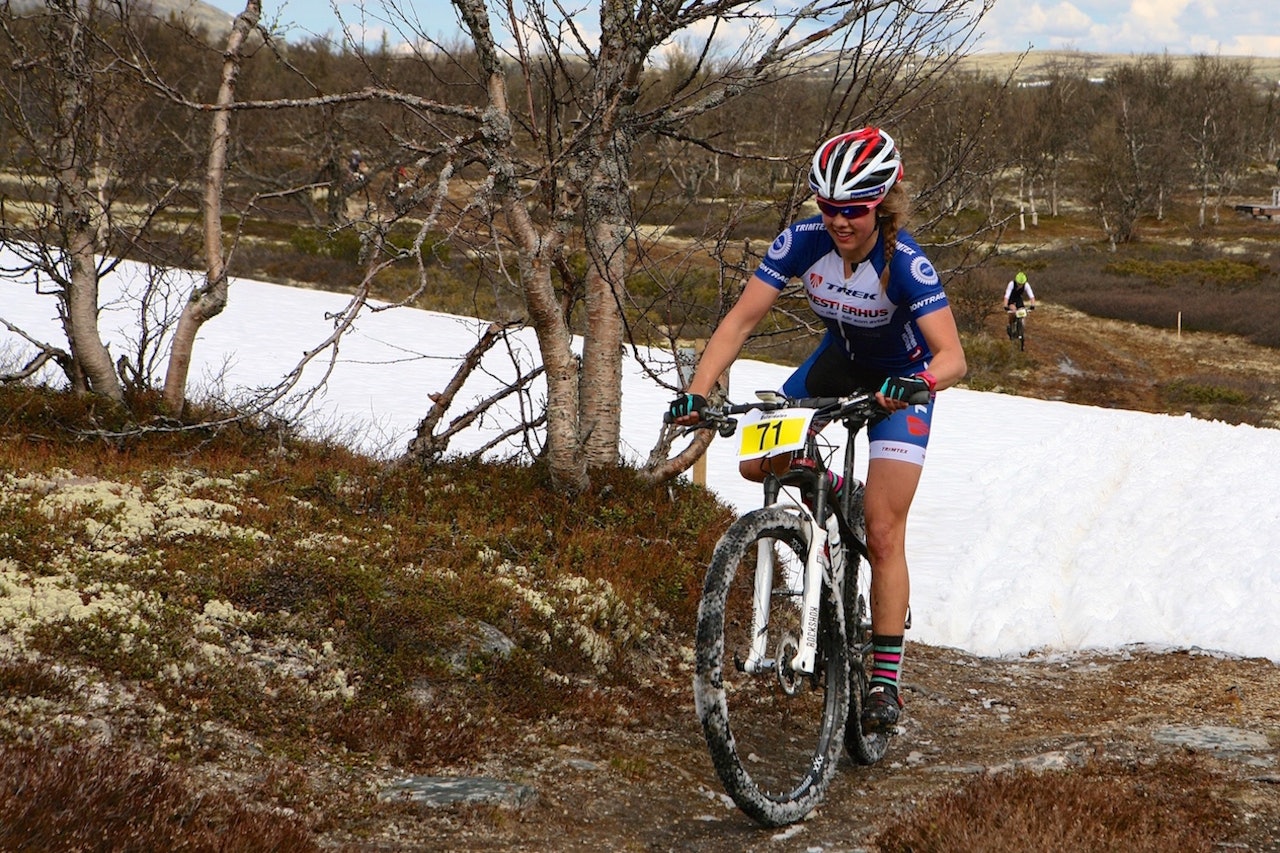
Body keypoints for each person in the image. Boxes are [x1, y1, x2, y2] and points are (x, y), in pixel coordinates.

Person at [666, 127, 967, 734]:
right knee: (759, 462)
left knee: (883, 531)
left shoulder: (904, 263)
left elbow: (953, 358)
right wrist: (698, 392)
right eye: (827, 209)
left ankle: (885, 682)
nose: (838, 223)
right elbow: (740, 320)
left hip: (902, 379)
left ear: (882, 204)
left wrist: (919, 387)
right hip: (839, 360)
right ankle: (831, 486)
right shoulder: (802, 242)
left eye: (852, 211)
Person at [1002, 271, 1036, 339]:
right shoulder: (1011, 284)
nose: (1020, 285)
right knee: (1013, 310)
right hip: (1011, 298)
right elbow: (1007, 296)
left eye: (1022, 284)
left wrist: (1033, 305)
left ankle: (1021, 326)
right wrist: (1005, 305)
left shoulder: (1026, 285)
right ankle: (1010, 325)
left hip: (1018, 299)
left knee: (1022, 311)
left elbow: (1031, 296)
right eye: (1019, 284)